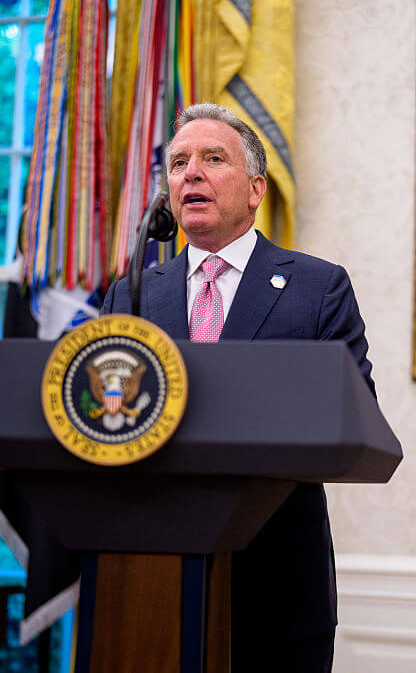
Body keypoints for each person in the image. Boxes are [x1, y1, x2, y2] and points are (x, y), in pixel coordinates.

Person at [101, 103, 373, 672]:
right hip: (153, 574)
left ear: (255, 189)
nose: (189, 173)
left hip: (277, 579)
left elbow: (354, 415)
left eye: (212, 159)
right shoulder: (131, 296)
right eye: (177, 163)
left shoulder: (317, 288)